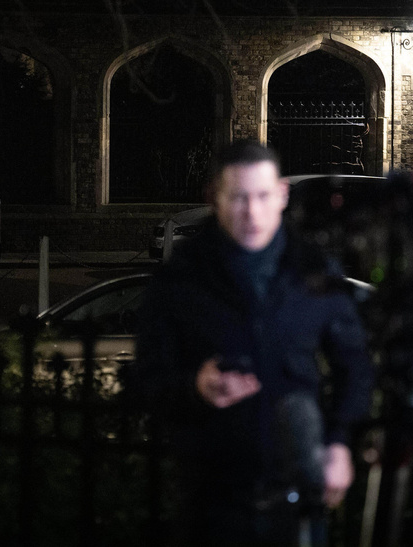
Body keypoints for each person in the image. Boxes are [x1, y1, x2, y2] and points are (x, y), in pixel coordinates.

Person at [132, 139, 374, 546]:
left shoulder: (313, 270)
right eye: (238, 198)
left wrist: (339, 444)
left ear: (282, 194)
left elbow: (356, 366)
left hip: (298, 497)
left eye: (262, 196)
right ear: (213, 197)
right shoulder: (181, 277)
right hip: (211, 500)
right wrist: (195, 386)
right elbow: (146, 378)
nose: (252, 213)